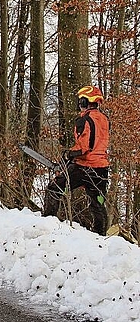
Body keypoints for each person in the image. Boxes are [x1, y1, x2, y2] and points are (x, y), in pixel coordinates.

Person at [43, 85, 110, 235]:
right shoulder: (104, 119)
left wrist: (69, 154)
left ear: (85, 102)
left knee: (54, 188)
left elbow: (83, 148)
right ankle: (101, 235)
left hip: (85, 167)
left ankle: (47, 224)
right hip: (101, 169)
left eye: (81, 101)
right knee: (97, 203)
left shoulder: (84, 120)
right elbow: (97, 143)